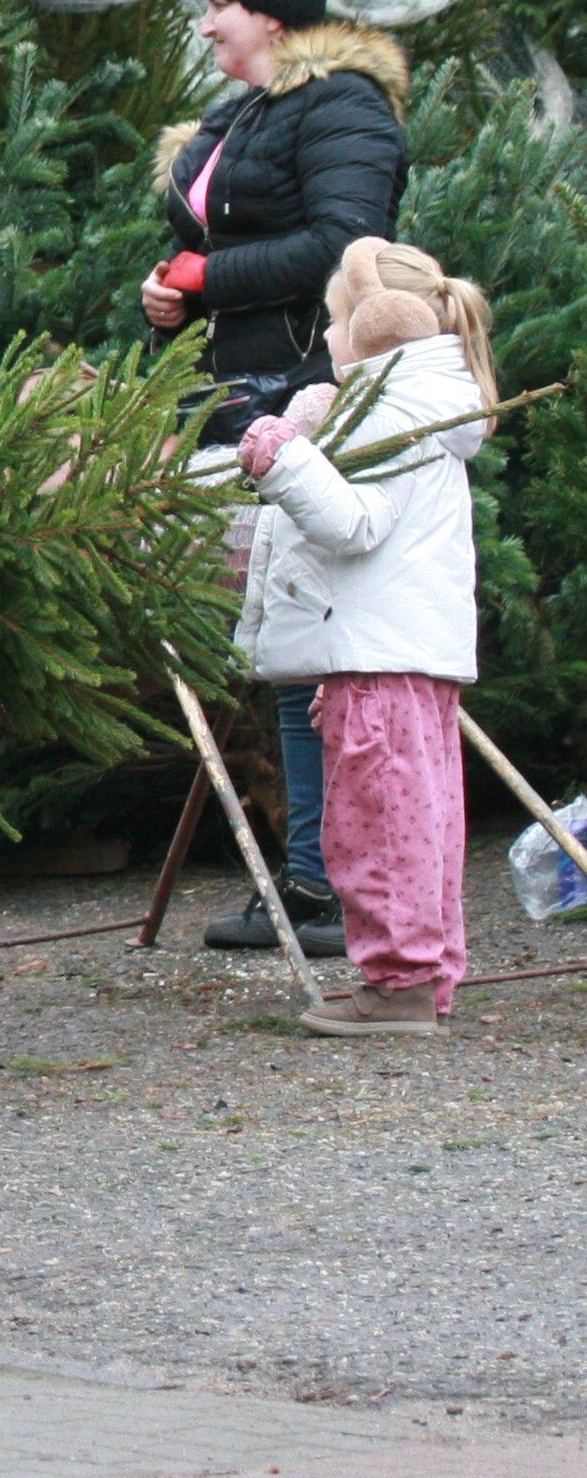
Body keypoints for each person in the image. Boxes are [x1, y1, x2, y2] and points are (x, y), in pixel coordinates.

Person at [139, 0, 410, 960]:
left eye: (217, 6)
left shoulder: (345, 108)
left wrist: (213, 275)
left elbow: (351, 244)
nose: (206, 27)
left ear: (269, 10)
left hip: (304, 398)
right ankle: (311, 877)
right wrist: (170, 296)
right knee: (283, 647)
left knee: (309, 647)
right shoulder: (236, 116)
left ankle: (326, 884)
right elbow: (212, 253)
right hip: (227, 392)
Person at [230, 239, 494, 1036]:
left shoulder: (393, 415)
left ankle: (400, 983)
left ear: (376, 331)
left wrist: (282, 460)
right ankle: (423, 973)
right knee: (420, 816)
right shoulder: (428, 407)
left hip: (379, 655)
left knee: (376, 825)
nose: (325, 338)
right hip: (403, 656)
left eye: (335, 321)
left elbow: (354, 524)